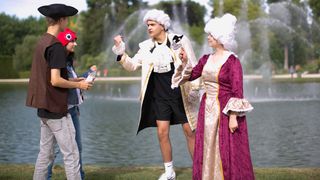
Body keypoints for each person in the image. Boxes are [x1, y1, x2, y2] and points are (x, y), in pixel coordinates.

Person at [112, 9, 200, 180]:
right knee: (162, 132)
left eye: (152, 25)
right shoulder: (145, 47)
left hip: (180, 92)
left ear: (162, 25)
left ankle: (199, 168)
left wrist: (185, 62)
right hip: (159, 95)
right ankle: (169, 172)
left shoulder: (179, 40)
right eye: (147, 25)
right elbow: (131, 66)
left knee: (189, 131)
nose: (149, 28)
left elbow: (193, 65)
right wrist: (120, 50)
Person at [172, 13, 255, 180]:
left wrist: (233, 117)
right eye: (209, 34)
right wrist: (185, 60)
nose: (208, 37)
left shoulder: (232, 61)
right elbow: (190, 76)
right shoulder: (205, 59)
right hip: (206, 109)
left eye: (211, 35)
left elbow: (237, 91)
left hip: (225, 111)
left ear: (220, 37)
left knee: (225, 147)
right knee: (207, 146)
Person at [25, 4, 92, 180]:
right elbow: (55, 80)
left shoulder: (42, 42)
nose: (67, 22)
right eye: (67, 19)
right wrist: (80, 86)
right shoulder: (55, 46)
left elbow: (49, 78)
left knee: (45, 156)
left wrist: (73, 80)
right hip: (57, 111)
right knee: (71, 155)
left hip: (43, 109)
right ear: (61, 20)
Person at [46, 28, 97, 180]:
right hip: (60, 111)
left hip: (72, 110)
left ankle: (79, 176)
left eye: (75, 40)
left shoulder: (68, 62)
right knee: (52, 150)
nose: (75, 43)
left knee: (77, 148)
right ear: (64, 42)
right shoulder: (57, 62)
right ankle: (46, 176)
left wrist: (86, 77)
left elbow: (70, 82)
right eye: (72, 41)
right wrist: (80, 83)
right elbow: (58, 83)